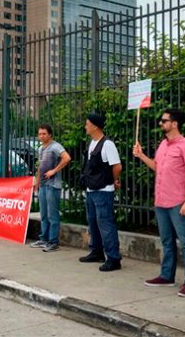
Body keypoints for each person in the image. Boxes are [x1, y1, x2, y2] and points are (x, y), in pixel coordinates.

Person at [133, 108, 185, 298]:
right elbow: (157, 167)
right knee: (166, 241)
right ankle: (167, 276)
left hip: (178, 201)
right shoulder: (163, 144)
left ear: (175, 123)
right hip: (161, 200)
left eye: (164, 121)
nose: (161, 124)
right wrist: (141, 155)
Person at [78, 113, 123, 272]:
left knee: (105, 223)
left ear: (95, 126)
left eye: (87, 124)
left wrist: (113, 179)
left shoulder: (107, 144)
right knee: (93, 222)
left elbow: (117, 166)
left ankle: (113, 258)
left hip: (103, 190)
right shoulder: (92, 143)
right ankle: (96, 251)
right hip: (91, 190)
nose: (85, 127)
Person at [29, 124, 71, 253]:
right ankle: (44, 239)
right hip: (43, 185)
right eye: (40, 134)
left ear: (50, 135)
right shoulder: (41, 148)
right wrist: (36, 180)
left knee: (52, 215)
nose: (41, 136)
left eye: (44, 134)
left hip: (53, 185)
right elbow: (39, 166)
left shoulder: (56, 146)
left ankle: (53, 242)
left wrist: (54, 170)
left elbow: (67, 158)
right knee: (44, 214)